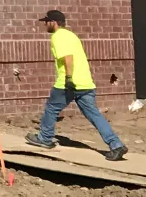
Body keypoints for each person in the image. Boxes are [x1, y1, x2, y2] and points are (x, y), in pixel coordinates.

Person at [27, 9, 127, 160]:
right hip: (85, 83)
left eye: (46, 22)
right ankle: (116, 145)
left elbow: (68, 57)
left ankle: (45, 139)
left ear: (53, 23)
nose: (45, 25)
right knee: (95, 115)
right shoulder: (71, 35)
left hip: (69, 83)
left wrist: (68, 78)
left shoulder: (58, 36)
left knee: (52, 108)